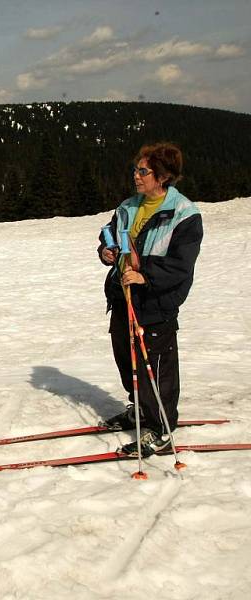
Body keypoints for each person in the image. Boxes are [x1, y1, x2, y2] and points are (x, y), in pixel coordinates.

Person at [97, 142, 203, 457]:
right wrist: (106, 253)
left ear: (162, 176)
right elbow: (109, 235)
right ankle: (141, 410)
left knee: (156, 367)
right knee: (127, 360)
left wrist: (147, 276)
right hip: (124, 297)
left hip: (157, 302)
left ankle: (162, 428)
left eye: (143, 171)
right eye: (136, 169)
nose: (136, 175)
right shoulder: (128, 207)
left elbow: (181, 265)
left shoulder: (184, 214)